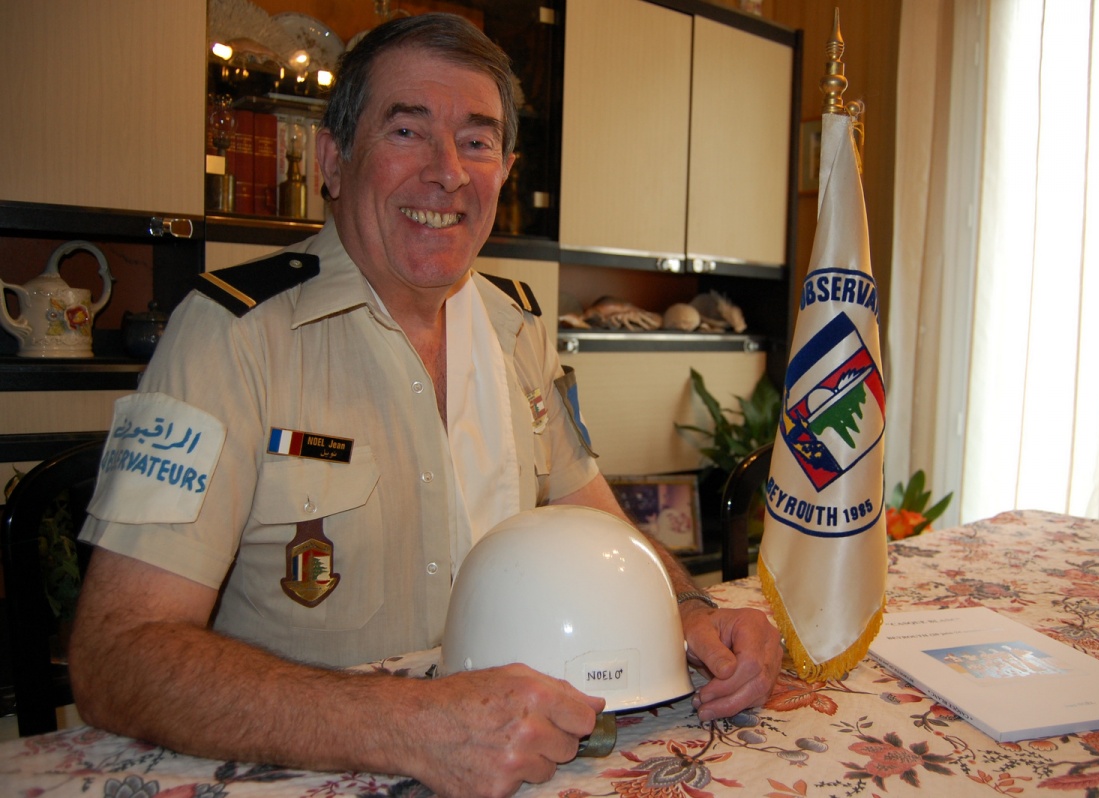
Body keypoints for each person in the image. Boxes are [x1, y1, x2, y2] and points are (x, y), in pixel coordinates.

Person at [69, 13, 782, 798]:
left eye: (476, 142)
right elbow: (116, 654)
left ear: (504, 172)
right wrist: (414, 725)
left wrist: (691, 610)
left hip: (522, 753)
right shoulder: (230, 335)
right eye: (407, 131)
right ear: (333, 161)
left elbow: (598, 527)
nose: (447, 173)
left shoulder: (516, 330)